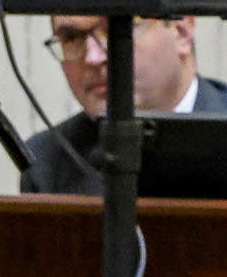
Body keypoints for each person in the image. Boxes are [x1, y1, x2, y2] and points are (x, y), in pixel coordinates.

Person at [21, 15, 227, 193]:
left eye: (116, 29)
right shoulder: (48, 161)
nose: (93, 57)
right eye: (72, 37)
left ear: (181, 30)